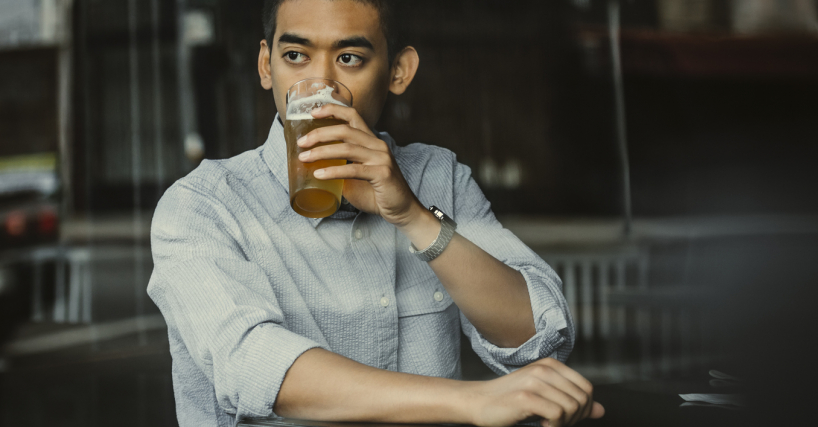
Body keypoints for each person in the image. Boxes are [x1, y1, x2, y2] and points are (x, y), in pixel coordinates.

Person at [148, 0, 605, 425]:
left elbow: (541, 337)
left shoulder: (435, 177)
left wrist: (414, 216)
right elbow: (250, 361)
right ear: (267, 66)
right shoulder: (203, 204)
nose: (321, 88)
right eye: (296, 56)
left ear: (399, 71)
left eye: (349, 58)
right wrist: (472, 400)